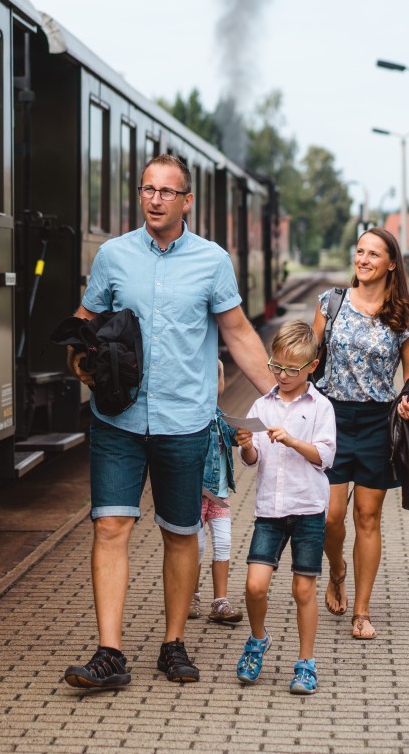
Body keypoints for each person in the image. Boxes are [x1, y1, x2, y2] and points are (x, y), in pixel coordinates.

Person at [62, 154, 277, 689]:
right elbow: (82, 327)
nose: (155, 199)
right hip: (118, 420)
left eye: (166, 192)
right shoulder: (113, 257)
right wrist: (79, 364)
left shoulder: (212, 261)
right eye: (147, 189)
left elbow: (239, 333)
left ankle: (172, 643)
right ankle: (109, 654)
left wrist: (279, 396)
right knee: (111, 526)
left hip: (186, 422)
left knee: (180, 534)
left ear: (186, 201)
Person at [312, 227, 409, 641]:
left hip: (380, 421)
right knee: (331, 517)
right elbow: (311, 359)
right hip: (332, 419)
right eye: (359, 251)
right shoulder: (331, 303)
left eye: (373, 253)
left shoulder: (406, 318)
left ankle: (361, 610)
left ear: (391, 263)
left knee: (368, 518)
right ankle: (336, 571)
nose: (363, 259)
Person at [233, 320, 336, 694]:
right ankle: (258, 639)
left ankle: (306, 662)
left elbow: (324, 456)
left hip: (308, 508)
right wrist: (246, 443)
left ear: (313, 365)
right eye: (277, 366)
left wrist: (292, 441)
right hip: (269, 511)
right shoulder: (262, 404)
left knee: (302, 590)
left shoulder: (321, 407)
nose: (284, 375)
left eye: (293, 369)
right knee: (254, 585)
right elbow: (252, 458)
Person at [191, 361, 243, 625]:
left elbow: (236, 435)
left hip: (220, 497)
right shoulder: (191, 419)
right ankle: (191, 594)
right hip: (195, 495)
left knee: (223, 544)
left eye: (216, 380)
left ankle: (220, 601)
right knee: (197, 547)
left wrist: (247, 434)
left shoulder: (220, 418)